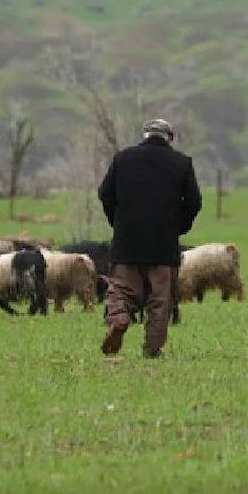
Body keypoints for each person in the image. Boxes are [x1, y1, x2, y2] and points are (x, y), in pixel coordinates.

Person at [97, 118, 202, 358]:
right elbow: (194, 202)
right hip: (163, 244)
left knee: (120, 289)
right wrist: (178, 227)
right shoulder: (182, 162)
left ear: (144, 135)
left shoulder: (122, 158)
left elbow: (105, 194)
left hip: (127, 241)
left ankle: (119, 317)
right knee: (160, 299)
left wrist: (117, 222)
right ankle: (152, 349)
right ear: (170, 138)